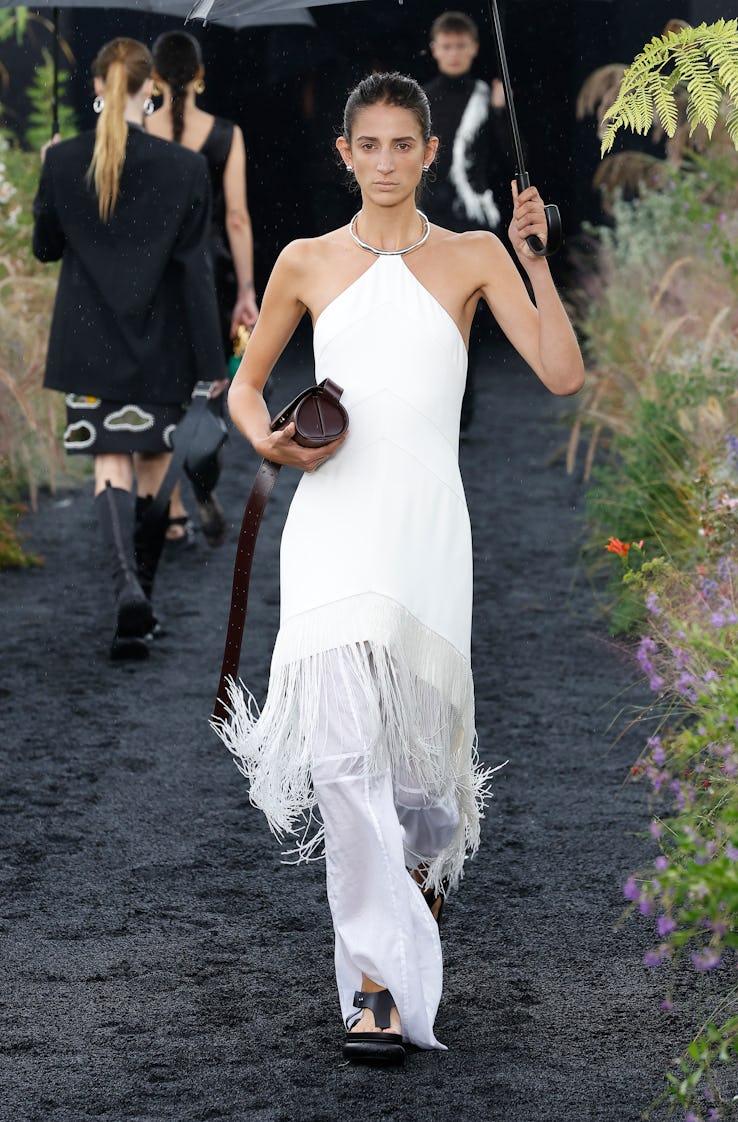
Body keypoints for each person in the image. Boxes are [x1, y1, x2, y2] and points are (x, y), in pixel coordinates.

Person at [216, 72, 584, 1061]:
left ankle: (412, 889)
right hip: (333, 523)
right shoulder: (303, 261)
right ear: (345, 153)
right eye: (366, 146)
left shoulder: (472, 256)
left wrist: (533, 260)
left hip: (427, 530)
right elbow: (245, 395)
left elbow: (560, 371)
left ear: (429, 153)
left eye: (400, 146)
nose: (384, 163)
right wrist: (269, 444)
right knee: (342, 760)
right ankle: (374, 985)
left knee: (419, 786)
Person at [33, 37, 225, 660]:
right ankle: (141, 600)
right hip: (163, 344)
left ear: (97, 87)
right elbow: (194, 272)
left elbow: (45, 247)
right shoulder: (185, 168)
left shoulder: (63, 161)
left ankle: (125, 593)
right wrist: (209, 366)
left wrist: (49, 175)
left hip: (90, 344)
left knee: (108, 465)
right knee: (150, 469)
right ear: (154, 91)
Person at [146, 30, 259, 549]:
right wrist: (247, 291)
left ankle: (169, 507)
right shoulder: (225, 134)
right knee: (207, 391)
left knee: (157, 390)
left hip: (148, 278)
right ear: (199, 75)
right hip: (209, 278)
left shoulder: (134, 131)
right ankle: (201, 478)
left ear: (153, 79)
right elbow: (235, 218)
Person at [424, 10, 510, 433]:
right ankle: (430, 404)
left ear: (473, 49)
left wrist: (498, 112)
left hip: (472, 221)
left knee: (465, 318)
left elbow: (511, 157)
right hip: (428, 219)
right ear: (434, 49)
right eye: (447, 45)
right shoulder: (420, 97)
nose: (454, 53)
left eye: (462, 46)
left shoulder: (486, 95)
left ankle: (461, 409)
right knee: (428, 316)